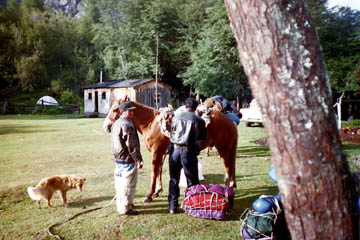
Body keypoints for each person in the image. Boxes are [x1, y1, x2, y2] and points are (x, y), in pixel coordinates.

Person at [168, 98, 207, 214]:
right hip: (188, 152)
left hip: (175, 151)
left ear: (186, 106)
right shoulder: (199, 120)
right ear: (195, 108)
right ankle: (192, 204)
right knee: (192, 180)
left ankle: (172, 206)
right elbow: (203, 137)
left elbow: (172, 132)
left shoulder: (176, 118)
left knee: (174, 179)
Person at [110, 101, 144, 216]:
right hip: (127, 159)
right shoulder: (128, 125)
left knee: (119, 184)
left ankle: (122, 205)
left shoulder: (116, 123)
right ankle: (126, 208)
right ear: (123, 111)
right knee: (128, 185)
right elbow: (132, 145)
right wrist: (138, 159)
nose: (132, 112)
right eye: (130, 110)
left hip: (118, 159)